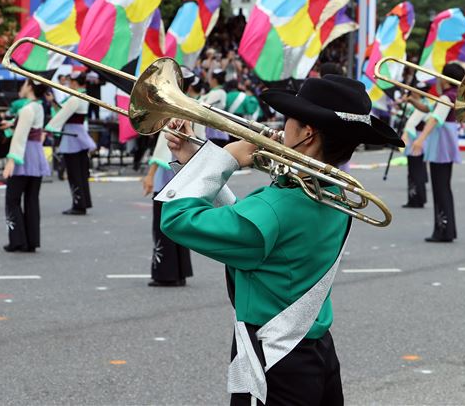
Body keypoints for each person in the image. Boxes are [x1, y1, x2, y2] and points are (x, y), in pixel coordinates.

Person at [157, 75, 403, 405]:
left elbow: (176, 220)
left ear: (307, 133)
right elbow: (250, 229)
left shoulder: (281, 205)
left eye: (290, 119)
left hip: (274, 361)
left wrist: (225, 159)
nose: (281, 126)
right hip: (313, 349)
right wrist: (196, 159)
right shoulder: (335, 193)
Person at [141, 68, 197, 287]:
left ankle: (166, 273)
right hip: (185, 169)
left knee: (162, 222)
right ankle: (180, 271)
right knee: (177, 221)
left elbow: (163, 149)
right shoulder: (192, 105)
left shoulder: (175, 108)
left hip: (168, 170)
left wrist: (150, 174)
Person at [410, 62, 465, 242]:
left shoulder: (446, 97)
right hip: (445, 144)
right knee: (444, 187)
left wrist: (420, 139)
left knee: (440, 188)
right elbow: (429, 111)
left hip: (441, 144)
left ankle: (443, 230)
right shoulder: (453, 96)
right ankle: (448, 229)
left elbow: (434, 119)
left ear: (445, 78)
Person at [2, 80, 52, 252]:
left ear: (30, 87)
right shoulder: (37, 106)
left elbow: (20, 136)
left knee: (12, 199)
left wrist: (11, 160)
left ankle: (17, 240)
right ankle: (31, 241)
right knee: (31, 199)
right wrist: (11, 125)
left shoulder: (27, 109)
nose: (21, 87)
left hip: (23, 155)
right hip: (36, 154)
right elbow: (28, 128)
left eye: (24, 83)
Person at [45, 72, 96, 215]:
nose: (68, 84)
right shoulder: (82, 95)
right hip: (78, 134)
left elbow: (63, 114)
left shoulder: (75, 98)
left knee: (75, 173)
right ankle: (83, 202)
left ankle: (79, 204)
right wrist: (54, 102)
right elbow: (65, 111)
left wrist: (48, 128)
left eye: (70, 81)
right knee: (80, 172)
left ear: (74, 82)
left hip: (72, 136)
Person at [400, 92, 429, 208]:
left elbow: (411, 122)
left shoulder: (422, 106)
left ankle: (416, 199)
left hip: (417, 139)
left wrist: (406, 134)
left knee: (415, 171)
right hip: (417, 138)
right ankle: (417, 198)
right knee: (416, 170)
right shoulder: (421, 105)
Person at [202, 68, 229, 146]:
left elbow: (204, 105)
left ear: (214, 79)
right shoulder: (220, 91)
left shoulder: (217, 92)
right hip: (216, 131)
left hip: (215, 132)